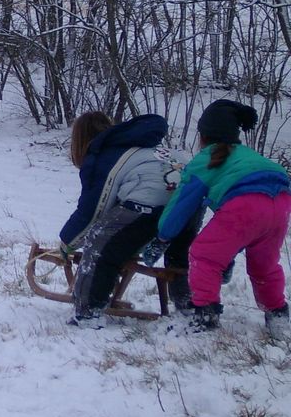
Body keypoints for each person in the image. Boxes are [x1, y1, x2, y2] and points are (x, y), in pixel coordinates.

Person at [147, 100, 290, 335]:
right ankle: (277, 314)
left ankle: (205, 315)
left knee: (203, 254)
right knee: (264, 265)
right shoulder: (249, 155)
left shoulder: (205, 160)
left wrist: (162, 237)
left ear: (203, 136)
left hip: (245, 203)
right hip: (281, 204)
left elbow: (181, 205)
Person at [59, 111, 197, 328]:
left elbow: (93, 210)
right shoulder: (144, 147)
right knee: (179, 252)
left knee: (100, 241)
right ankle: (188, 302)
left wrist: (68, 242)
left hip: (148, 205)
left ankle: (88, 311)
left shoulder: (105, 156)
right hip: (189, 203)